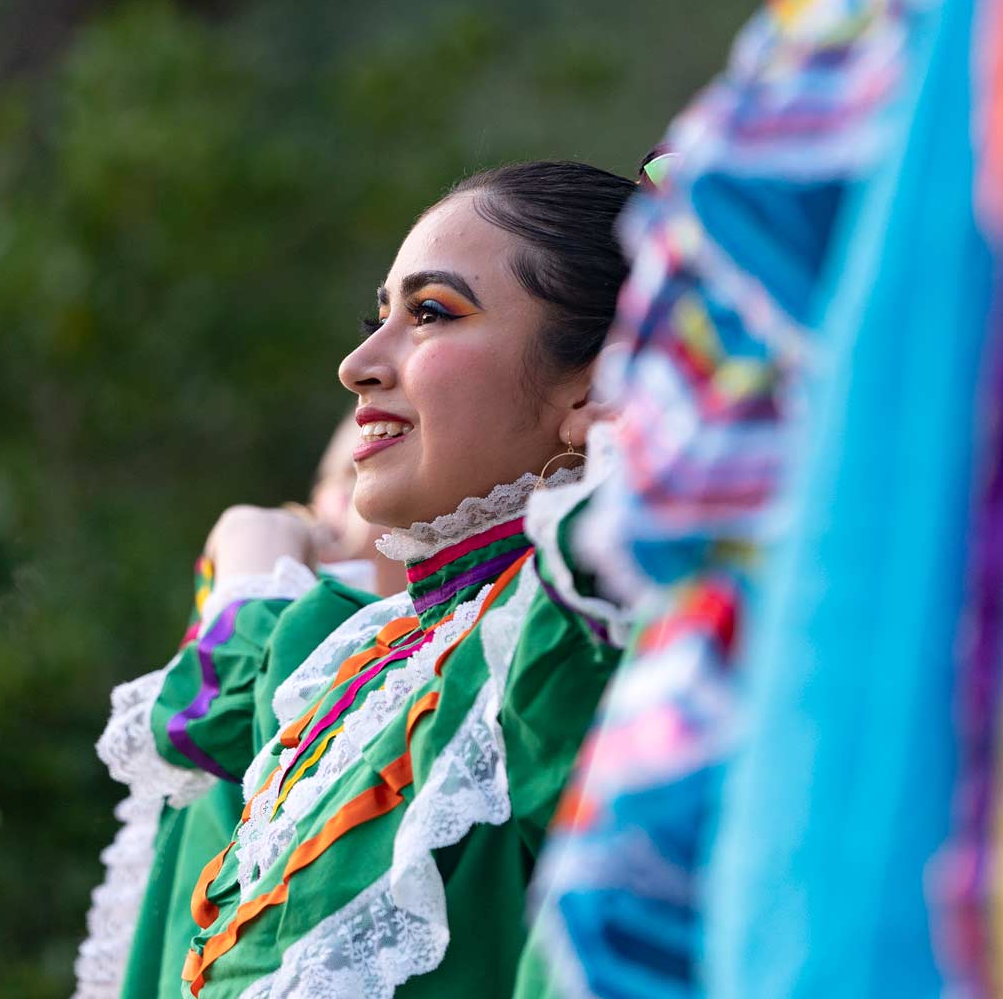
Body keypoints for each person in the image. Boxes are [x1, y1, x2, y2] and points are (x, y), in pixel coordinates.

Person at [169, 160, 633, 997]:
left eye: (430, 313)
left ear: (595, 382)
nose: (357, 364)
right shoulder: (361, 661)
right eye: (379, 315)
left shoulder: (570, 633)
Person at [77, 413, 407, 999]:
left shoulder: (384, 655)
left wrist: (257, 575)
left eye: (381, 447)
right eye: (337, 474)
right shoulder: (279, 623)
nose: (338, 501)